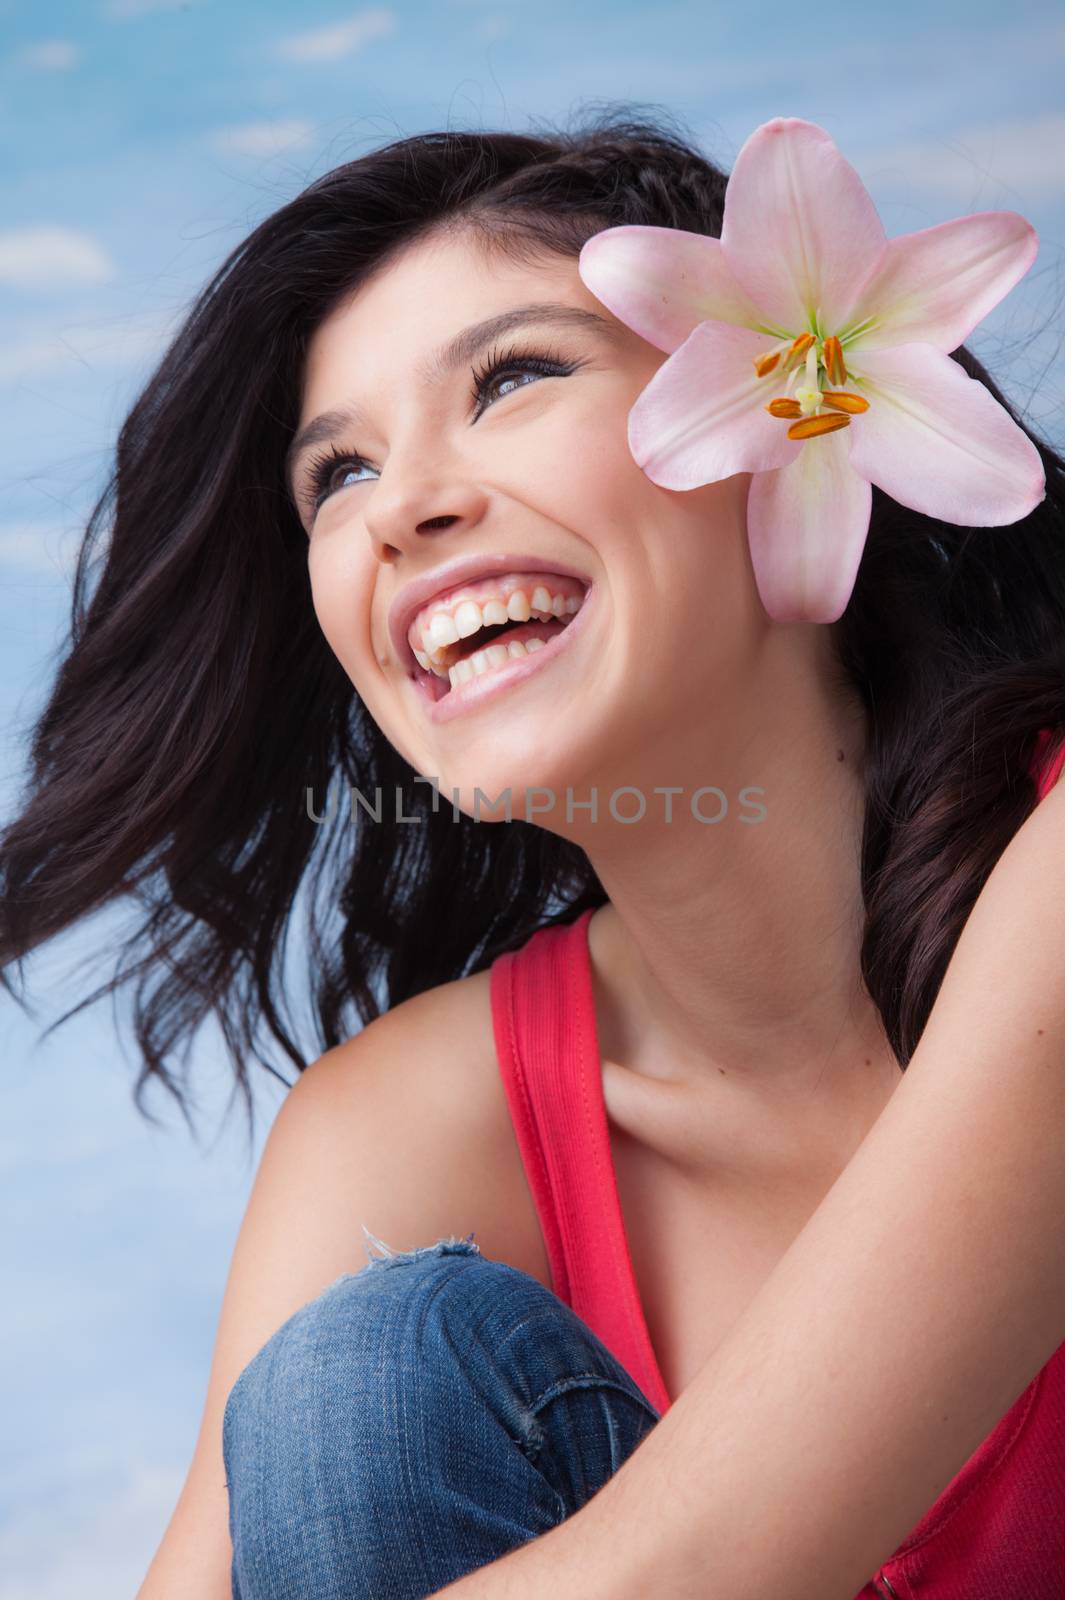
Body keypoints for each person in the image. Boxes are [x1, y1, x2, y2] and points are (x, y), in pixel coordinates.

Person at [2, 105, 1064, 1599]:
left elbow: (682, 1572)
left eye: (511, 378)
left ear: (784, 424)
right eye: (338, 479)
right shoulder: (415, 1123)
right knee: (369, 1372)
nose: (402, 515)